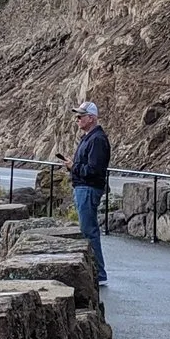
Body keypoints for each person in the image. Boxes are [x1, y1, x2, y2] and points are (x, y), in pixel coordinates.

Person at [69, 102, 111, 287]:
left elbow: (94, 170)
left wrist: (74, 167)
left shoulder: (97, 140)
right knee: (87, 229)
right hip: (83, 187)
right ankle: (95, 271)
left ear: (92, 118)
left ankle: (98, 272)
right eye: (77, 116)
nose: (77, 119)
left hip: (88, 188)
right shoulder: (89, 138)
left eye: (81, 116)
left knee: (89, 231)